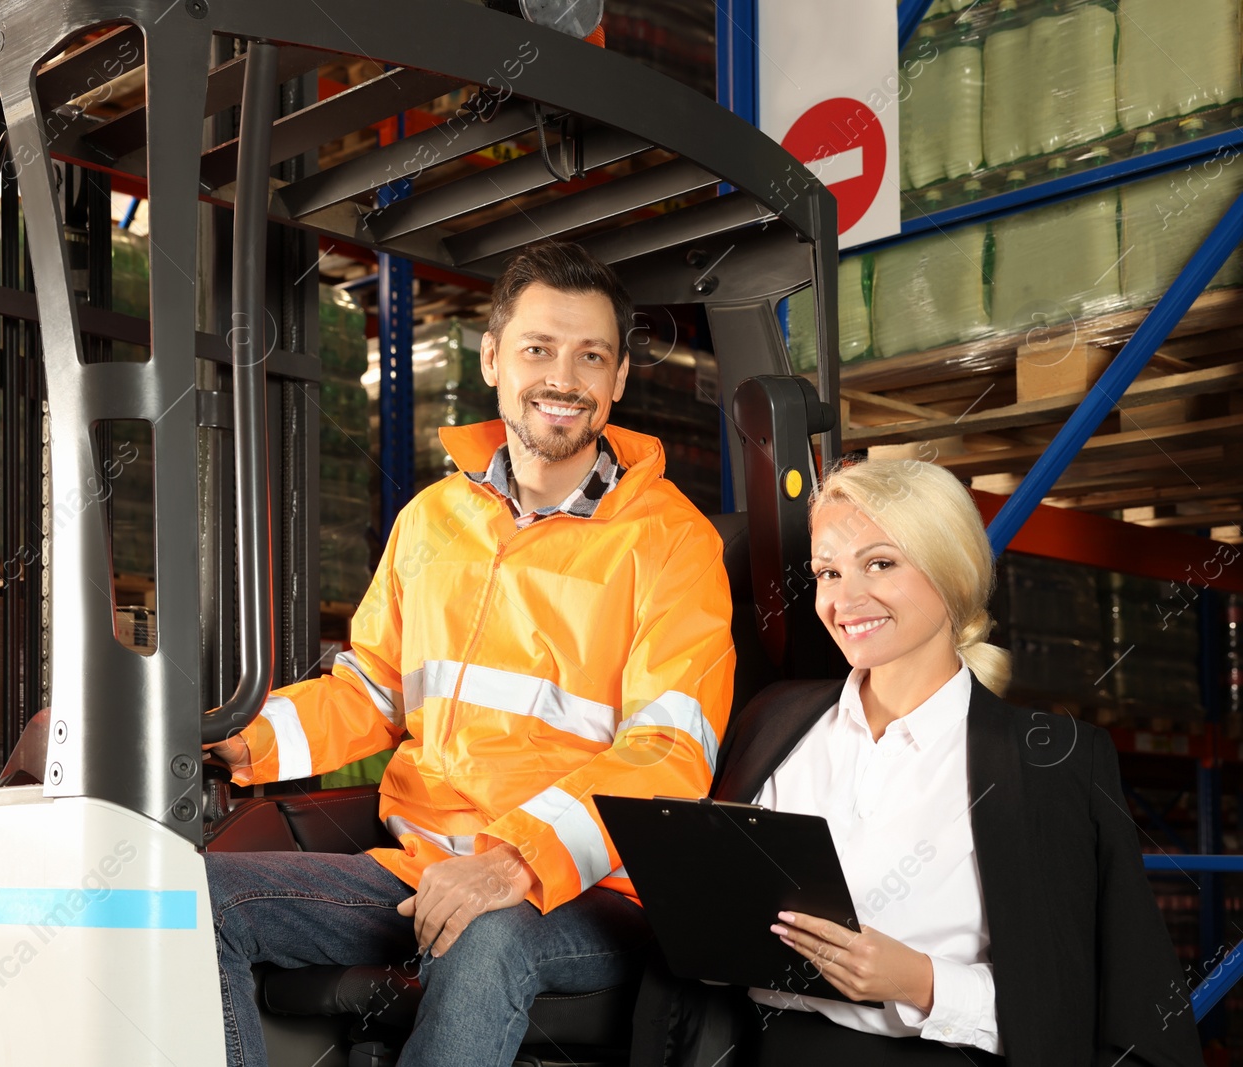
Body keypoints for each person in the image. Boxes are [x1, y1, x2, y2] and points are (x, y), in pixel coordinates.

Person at [202, 240, 736, 1067]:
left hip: (583, 890)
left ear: (619, 378)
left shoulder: (672, 544)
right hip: (421, 867)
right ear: (491, 358)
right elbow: (371, 689)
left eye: (590, 355)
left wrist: (513, 861)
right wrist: (242, 737)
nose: (564, 376)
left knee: (487, 940)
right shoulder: (430, 520)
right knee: (191, 902)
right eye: (538, 349)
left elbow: (668, 754)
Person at [633, 458, 1202, 1067]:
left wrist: (920, 983)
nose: (844, 599)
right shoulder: (774, 720)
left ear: (950, 571)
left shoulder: (1049, 762)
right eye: (828, 572)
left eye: (880, 563)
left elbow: (1093, 1007)